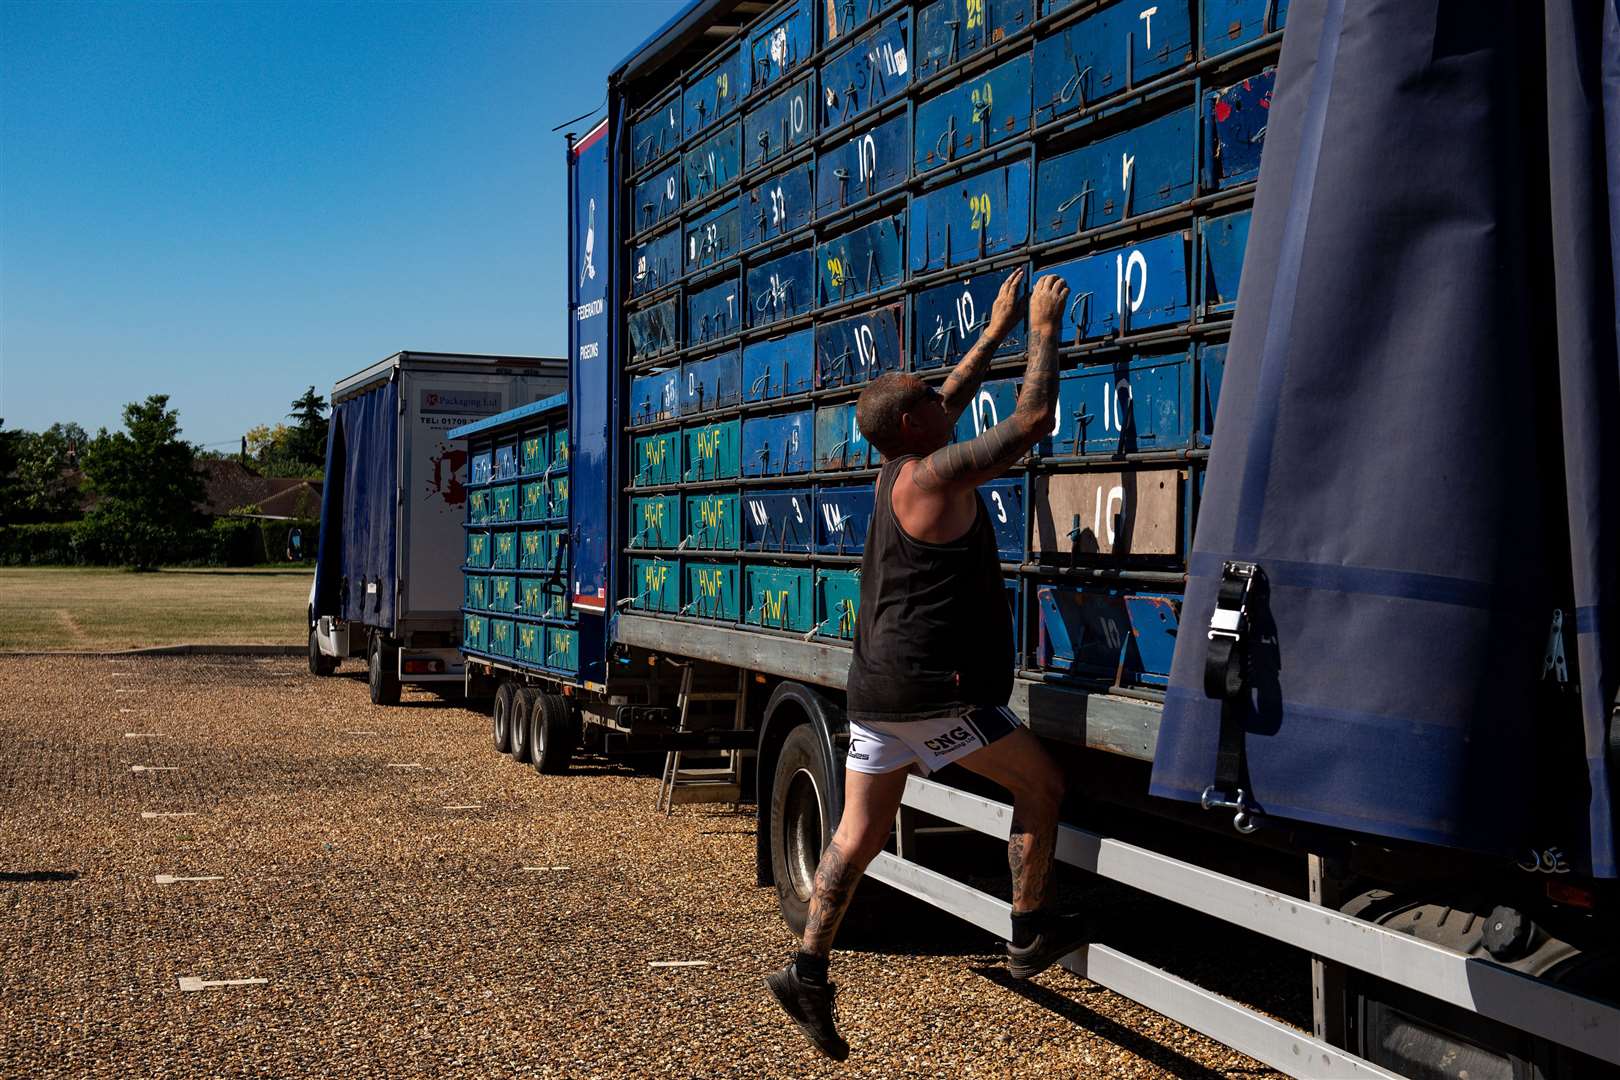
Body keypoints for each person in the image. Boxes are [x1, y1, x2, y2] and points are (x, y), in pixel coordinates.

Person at [765, 272, 1087, 1060]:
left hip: (876, 692)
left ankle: (807, 970)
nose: (947, 402)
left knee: (857, 832)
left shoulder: (897, 464)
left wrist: (997, 325)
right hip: (934, 693)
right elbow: (1032, 419)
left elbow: (948, 392)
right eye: (932, 401)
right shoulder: (938, 476)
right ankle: (1026, 931)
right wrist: (1042, 329)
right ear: (917, 424)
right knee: (1042, 786)